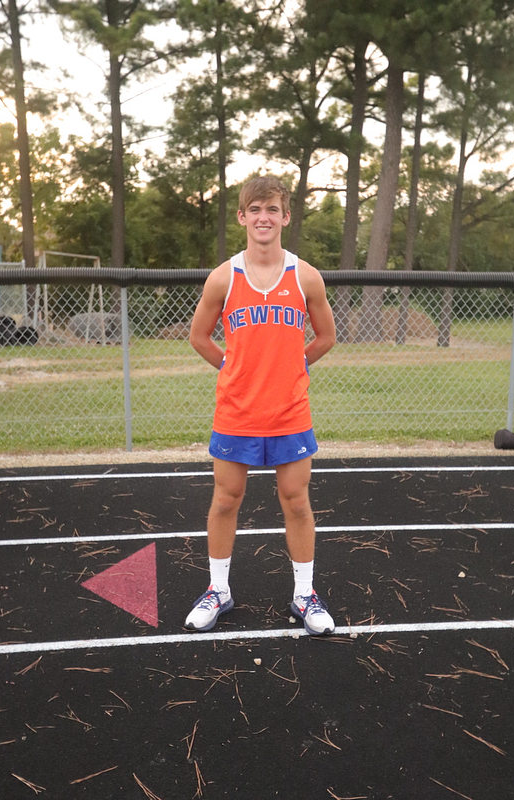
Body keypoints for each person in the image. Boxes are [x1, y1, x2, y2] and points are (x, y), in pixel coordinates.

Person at [185, 175, 336, 635]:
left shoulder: (306, 276)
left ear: (286, 217)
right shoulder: (223, 277)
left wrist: (294, 365)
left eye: (272, 209)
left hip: (290, 412)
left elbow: (326, 337)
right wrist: (232, 367)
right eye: (255, 209)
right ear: (242, 217)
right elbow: (199, 336)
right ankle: (218, 590)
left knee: (297, 502)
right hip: (237, 412)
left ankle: (305, 595)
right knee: (225, 500)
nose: (263, 217)